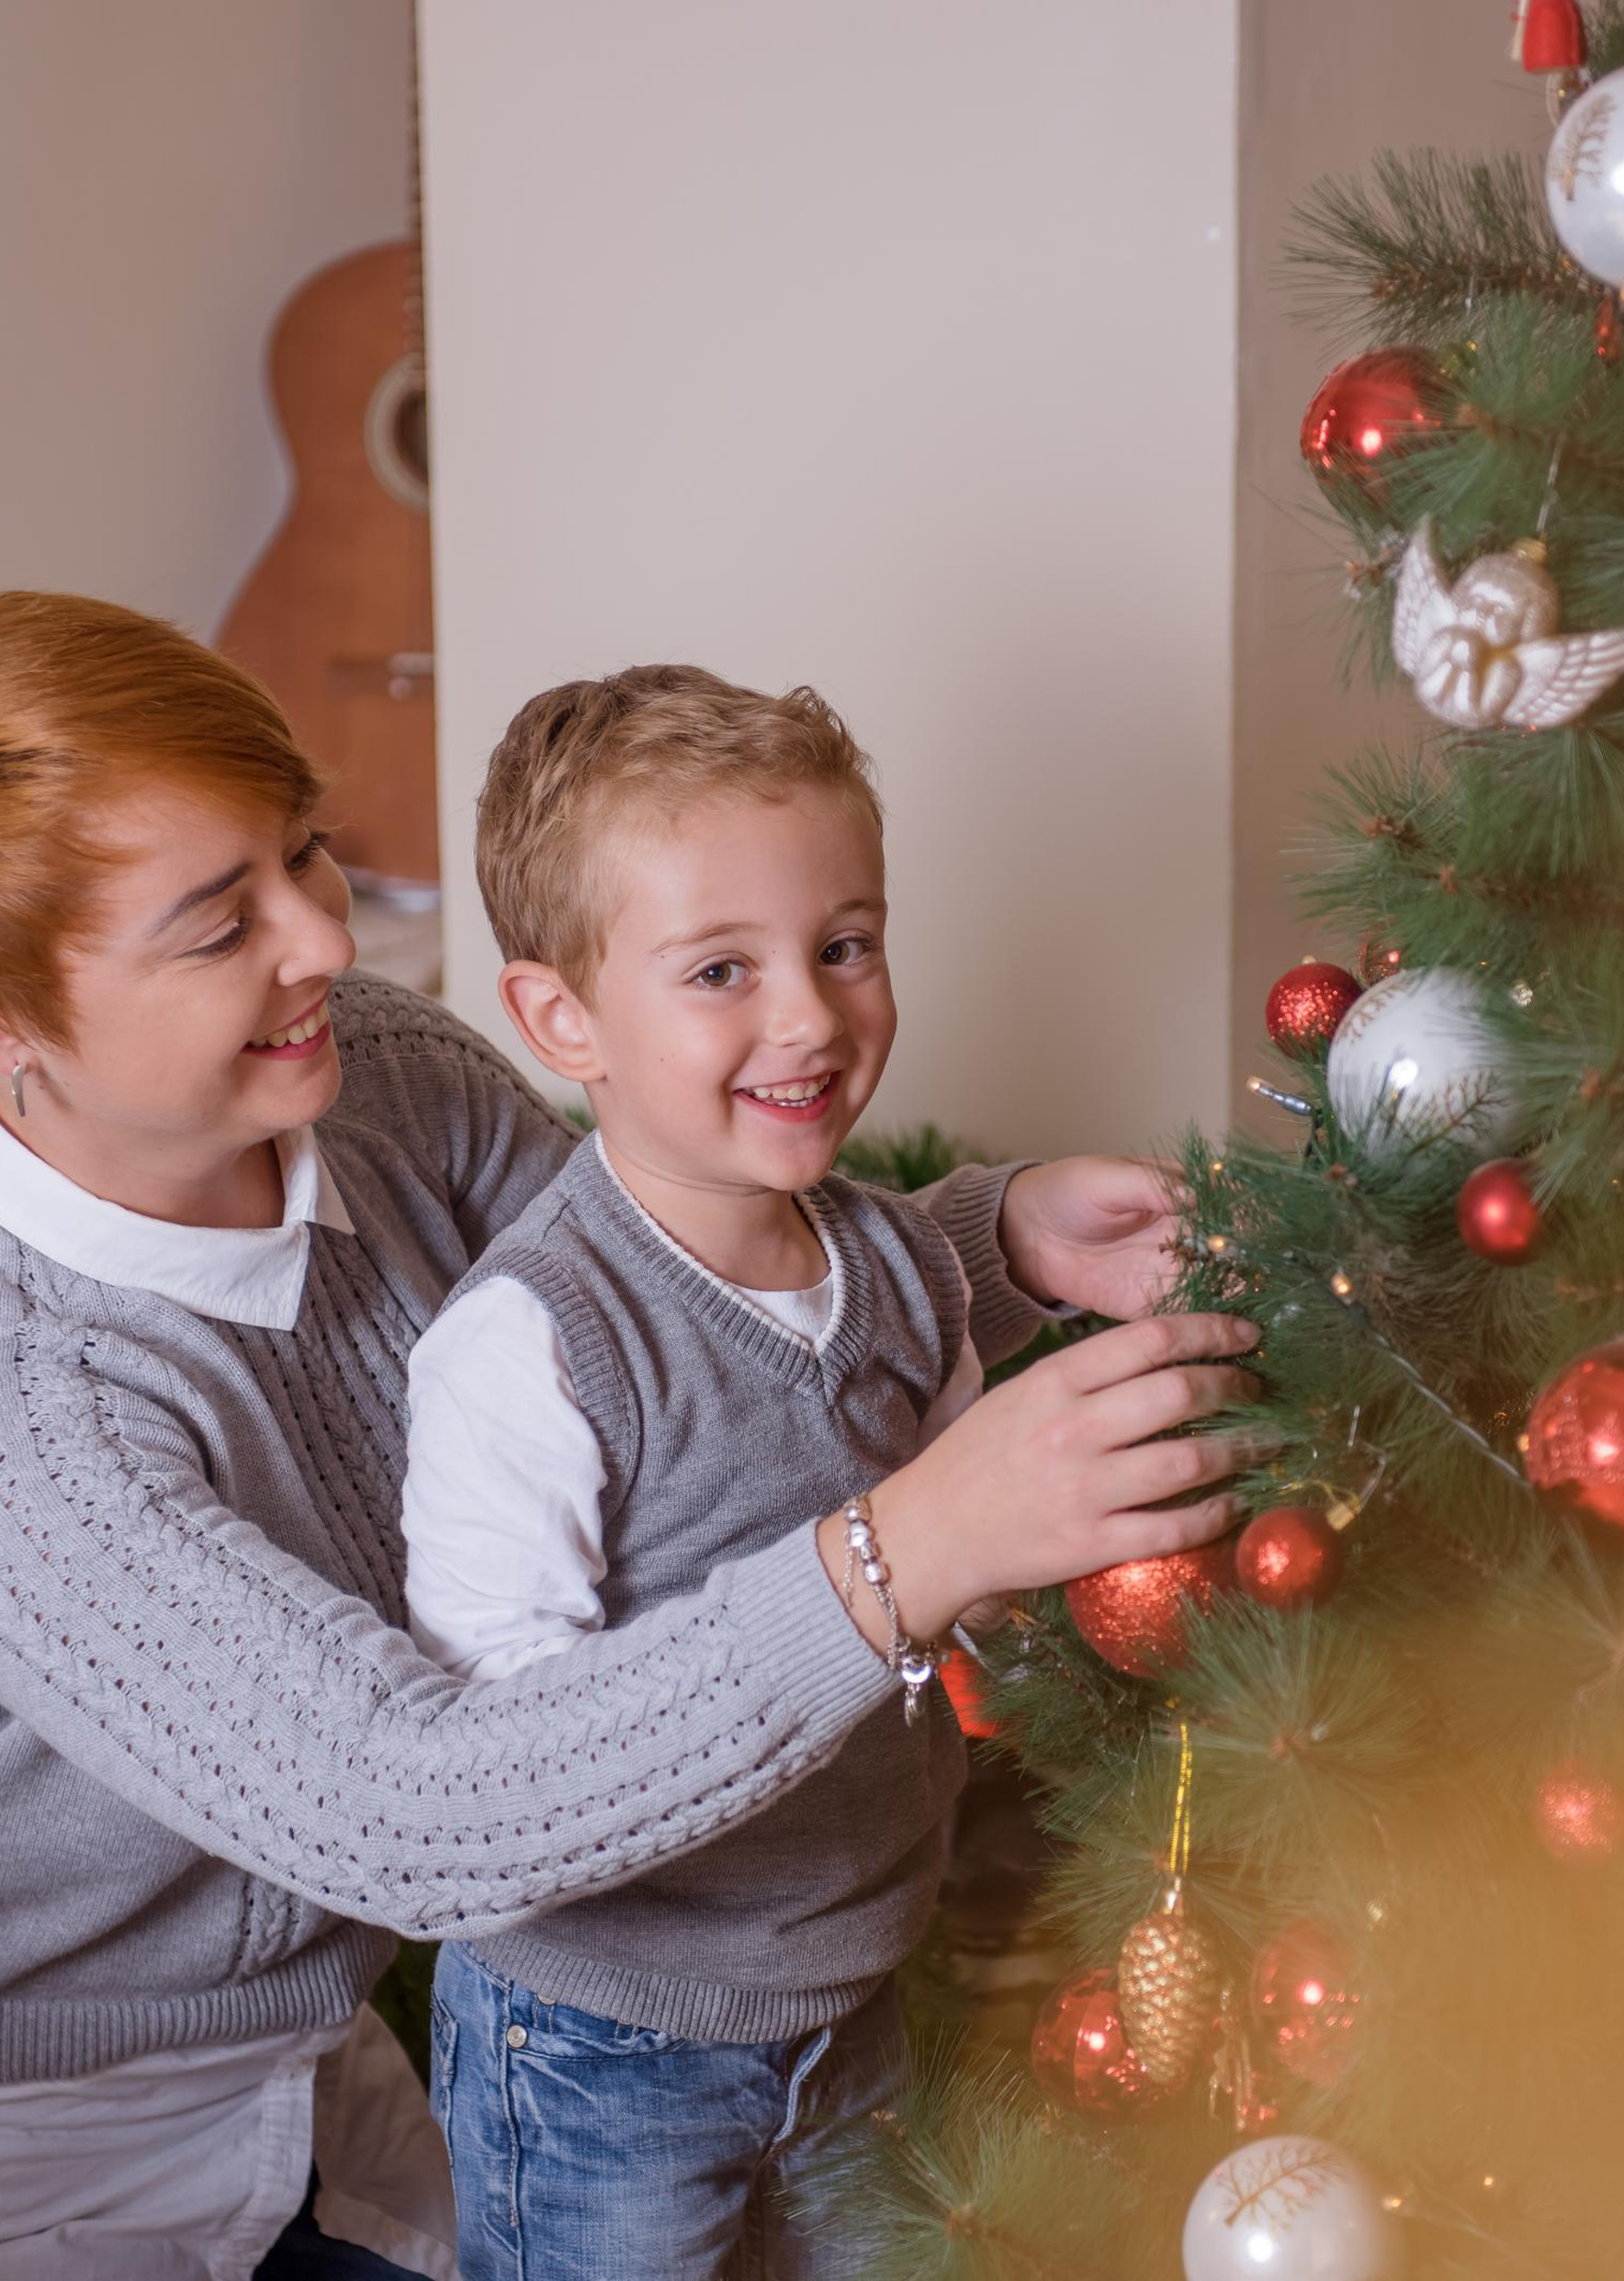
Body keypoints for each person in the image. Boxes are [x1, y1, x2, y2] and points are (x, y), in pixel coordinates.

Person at [0, 593, 1256, 2279]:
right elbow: (419, 1812)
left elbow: (673, 1321)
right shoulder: (34, 1410)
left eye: (305, 853)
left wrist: (991, 1239)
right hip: (74, 2137)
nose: (323, 940)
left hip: (338, 2059)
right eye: (222, 925)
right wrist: (909, 1553)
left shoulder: (375, 1073)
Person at [404, 663, 1250, 2279]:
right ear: (562, 1020)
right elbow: (511, 1772)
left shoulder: (890, 1255)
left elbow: (928, 1483)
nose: (808, 1015)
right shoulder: (531, 1349)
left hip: (855, 1985)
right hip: (599, 2051)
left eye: (845, 944)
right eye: (721, 968)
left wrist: (1017, 1246)